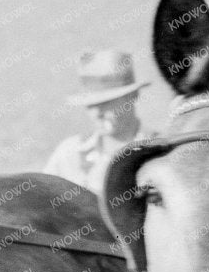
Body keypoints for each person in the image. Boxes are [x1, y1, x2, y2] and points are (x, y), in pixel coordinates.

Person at [43, 49, 147, 190]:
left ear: (132, 96)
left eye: (106, 102)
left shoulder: (157, 150)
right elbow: (40, 201)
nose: (97, 113)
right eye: (91, 105)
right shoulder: (69, 154)